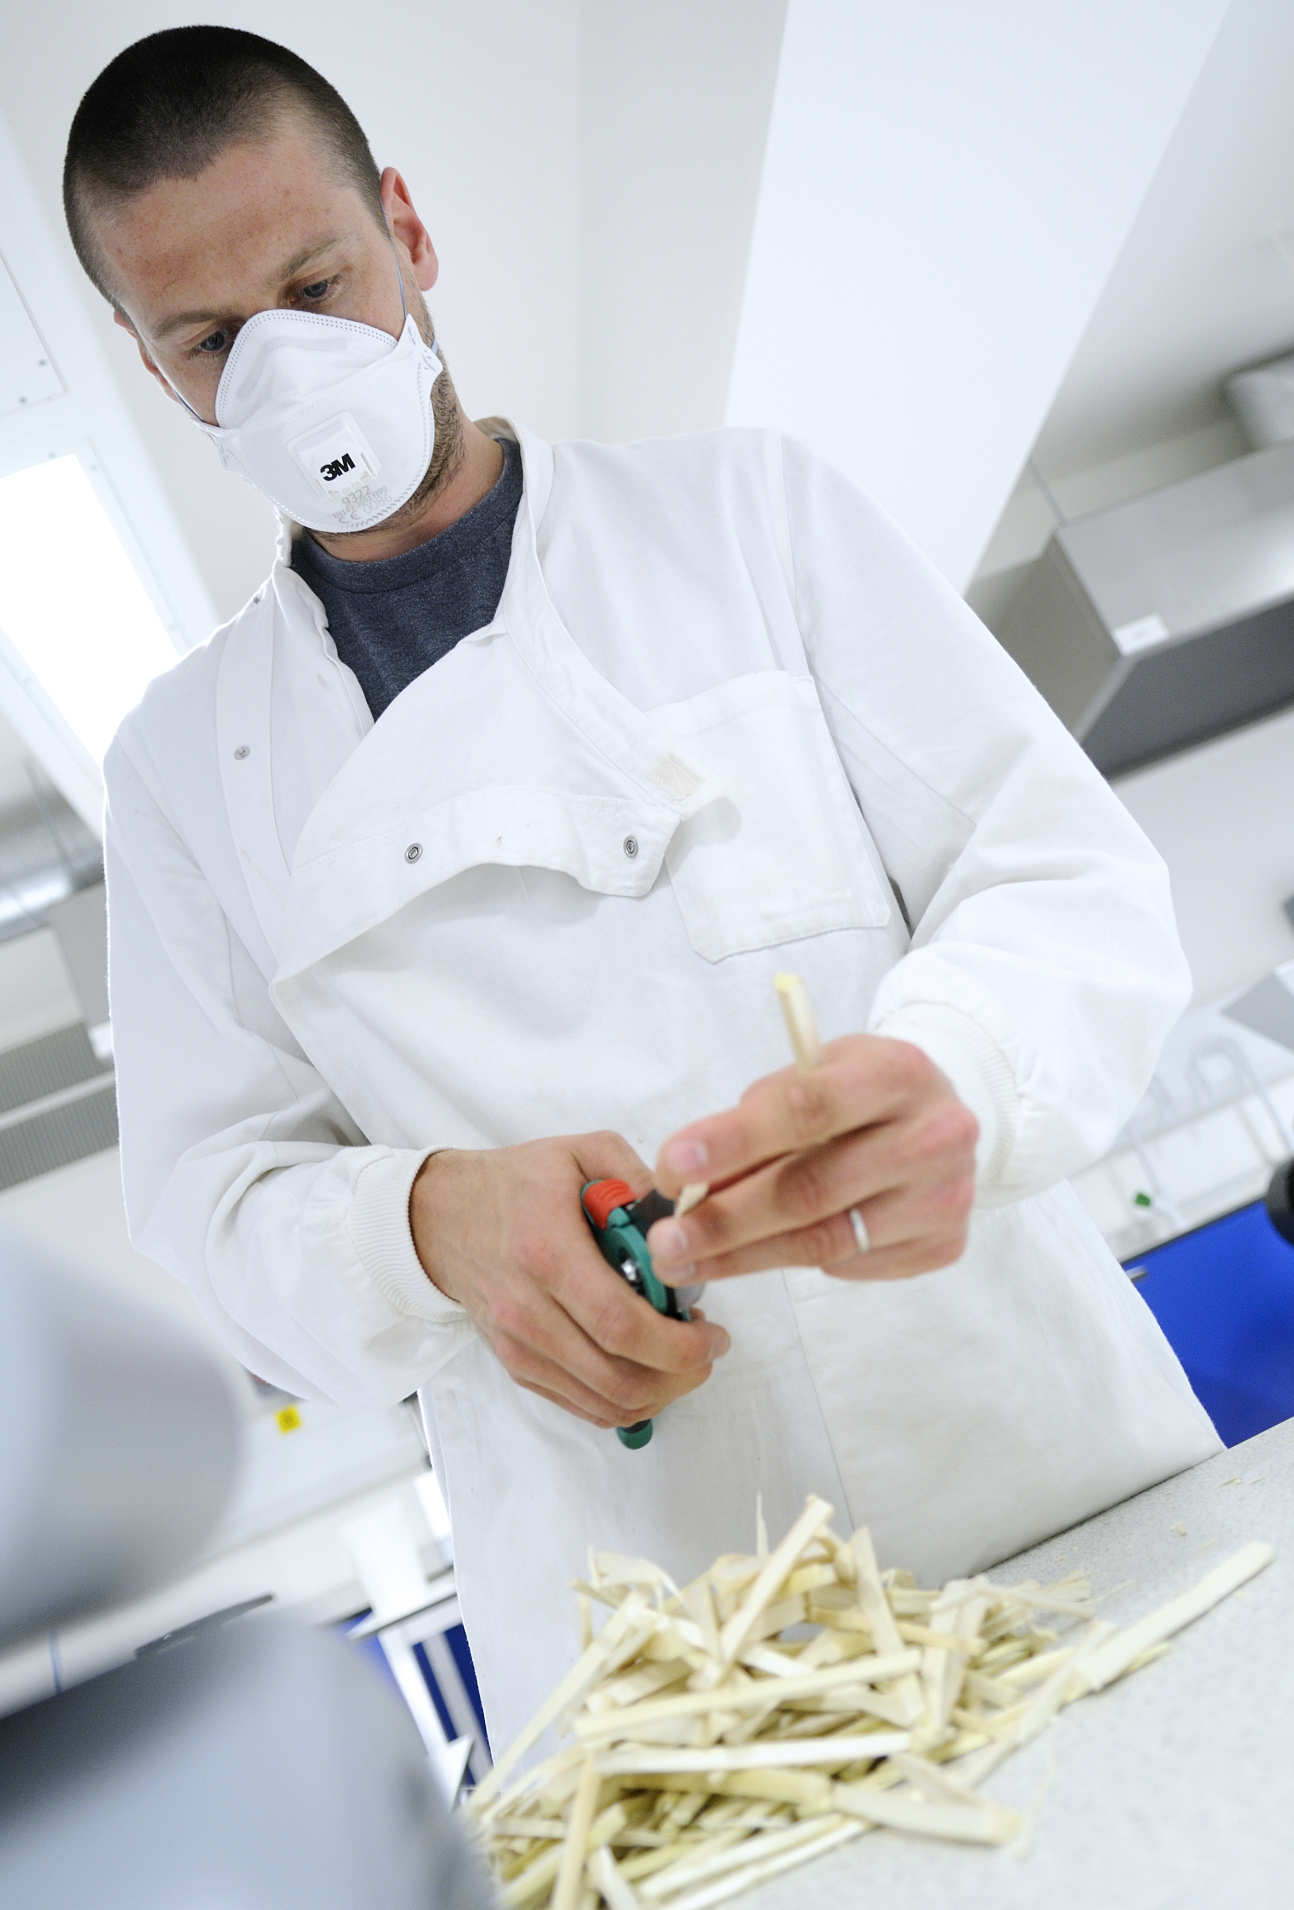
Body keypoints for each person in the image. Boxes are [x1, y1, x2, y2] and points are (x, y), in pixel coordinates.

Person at [64, 26, 1220, 1754]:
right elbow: (210, 1203)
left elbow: (1062, 879)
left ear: (408, 229)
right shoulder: (176, 770)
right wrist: (421, 1221)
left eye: (315, 281)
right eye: (214, 342)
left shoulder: (746, 517)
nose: (287, 372)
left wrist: (960, 1064)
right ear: (152, 372)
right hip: (649, 1644)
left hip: (1035, 1477)